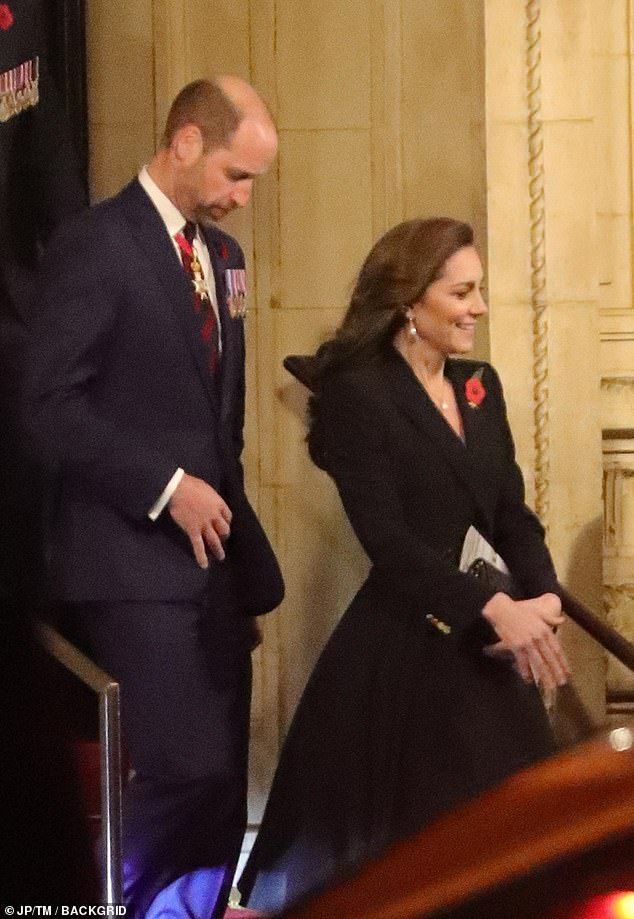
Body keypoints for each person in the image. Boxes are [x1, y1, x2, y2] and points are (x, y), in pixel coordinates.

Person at [239, 217, 570, 911]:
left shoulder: (481, 384)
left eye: (479, 290)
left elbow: (510, 511)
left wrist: (542, 598)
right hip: (408, 648)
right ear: (410, 301)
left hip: (493, 641)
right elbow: (387, 541)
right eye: (462, 292)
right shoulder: (363, 392)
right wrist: (491, 607)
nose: (479, 307)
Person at [24, 76, 284, 919]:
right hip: (127, 562)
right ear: (184, 143)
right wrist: (166, 488)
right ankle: (100, 905)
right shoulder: (98, 245)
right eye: (236, 176)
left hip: (214, 572)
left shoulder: (227, 261)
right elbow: (47, 405)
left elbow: (221, 421)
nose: (244, 198)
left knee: (219, 790)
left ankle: (193, 911)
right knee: (181, 769)